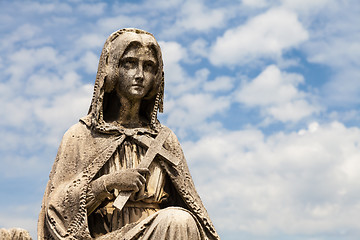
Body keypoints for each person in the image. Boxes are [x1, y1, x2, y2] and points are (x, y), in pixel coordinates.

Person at [38, 28, 220, 240]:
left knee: (181, 220)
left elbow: (190, 203)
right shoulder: (82, 135)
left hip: (162, 230)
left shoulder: (164, 139)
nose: (140, 75)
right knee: (176, 221)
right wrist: (107, 183)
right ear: (112, 69)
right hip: (104, 235)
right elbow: (58, 209)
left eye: (149, 66)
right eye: (130, 64)